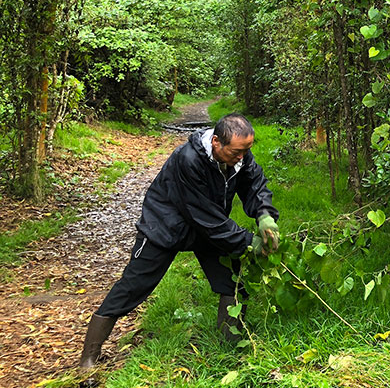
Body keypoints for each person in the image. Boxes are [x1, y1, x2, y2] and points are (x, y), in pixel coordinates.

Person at [79, 113, 281, 369]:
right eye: (236, 152)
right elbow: (205, 215)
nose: (241, 157)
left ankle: (232, 347)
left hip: (207, 230)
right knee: (133, 286)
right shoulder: (188, 159)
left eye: (246, 151)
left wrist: (265, 215)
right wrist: (249, 242)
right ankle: (89, 357)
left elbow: (255, 185)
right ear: (216, 142)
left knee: (232, 281)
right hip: (165, 226)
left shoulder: (239, 155)